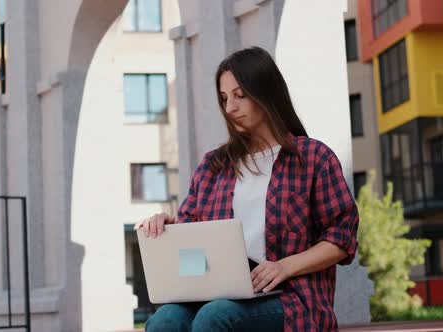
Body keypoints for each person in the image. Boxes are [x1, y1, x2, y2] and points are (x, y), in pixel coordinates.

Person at [134, 46, 359, 332]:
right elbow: (191, 240)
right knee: (165, 320)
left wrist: (285, 266)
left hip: (290, 298)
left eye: (240, 96)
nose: (230, 108)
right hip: (214, 294)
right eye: (224, 98)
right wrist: (169, 227)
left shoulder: (313, 158)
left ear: (267, 93)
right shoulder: (214, 165)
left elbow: (342, 238)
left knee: (215, 317)